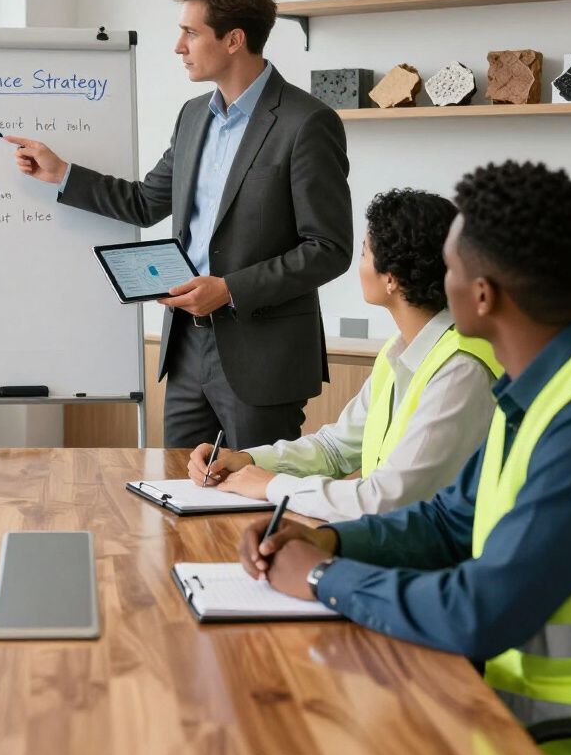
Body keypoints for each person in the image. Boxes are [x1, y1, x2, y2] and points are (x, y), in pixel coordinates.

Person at [238, 161, 571, 755]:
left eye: (451, 270)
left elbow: (480, 611)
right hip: (501, 718)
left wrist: (325, 577)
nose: (440, 284)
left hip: (561, 749)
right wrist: (325, 538)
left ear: (481, 295)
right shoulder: (542, 392)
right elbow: (445, 522)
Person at [5, 0, 352, 450]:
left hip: (263, 359)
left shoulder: (307, 123)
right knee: (177, 497)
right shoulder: (193, 117)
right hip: (185, 347)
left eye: (190, 32)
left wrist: (228, 289)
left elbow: (329, 249)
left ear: (234, 39)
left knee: (251, 505)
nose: (178, 46)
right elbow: (146, 203)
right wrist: (62, 173)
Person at [186, 188, 501, 521]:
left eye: (365, 252)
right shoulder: (402, 349)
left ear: (391, 278)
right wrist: (248, 461)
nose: (359, 265)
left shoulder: (460, 370)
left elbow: (383, 500)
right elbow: (335, 449)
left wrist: (272, 485)